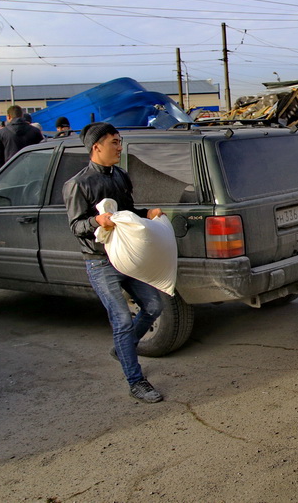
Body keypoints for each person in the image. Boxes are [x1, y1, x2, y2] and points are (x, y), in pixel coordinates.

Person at [63, 122, 166, 403]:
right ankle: (136, 381)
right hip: (100, 262)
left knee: (154, 306)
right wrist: (97, 220)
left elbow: (128, 212)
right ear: (96, 147)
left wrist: (148, 213)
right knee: (121, 319)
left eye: (119, 142)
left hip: (126, 257)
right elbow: (75, 226)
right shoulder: (78, 184)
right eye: (114, 143)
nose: (120, 147)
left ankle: (123, 348)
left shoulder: (120, 176)